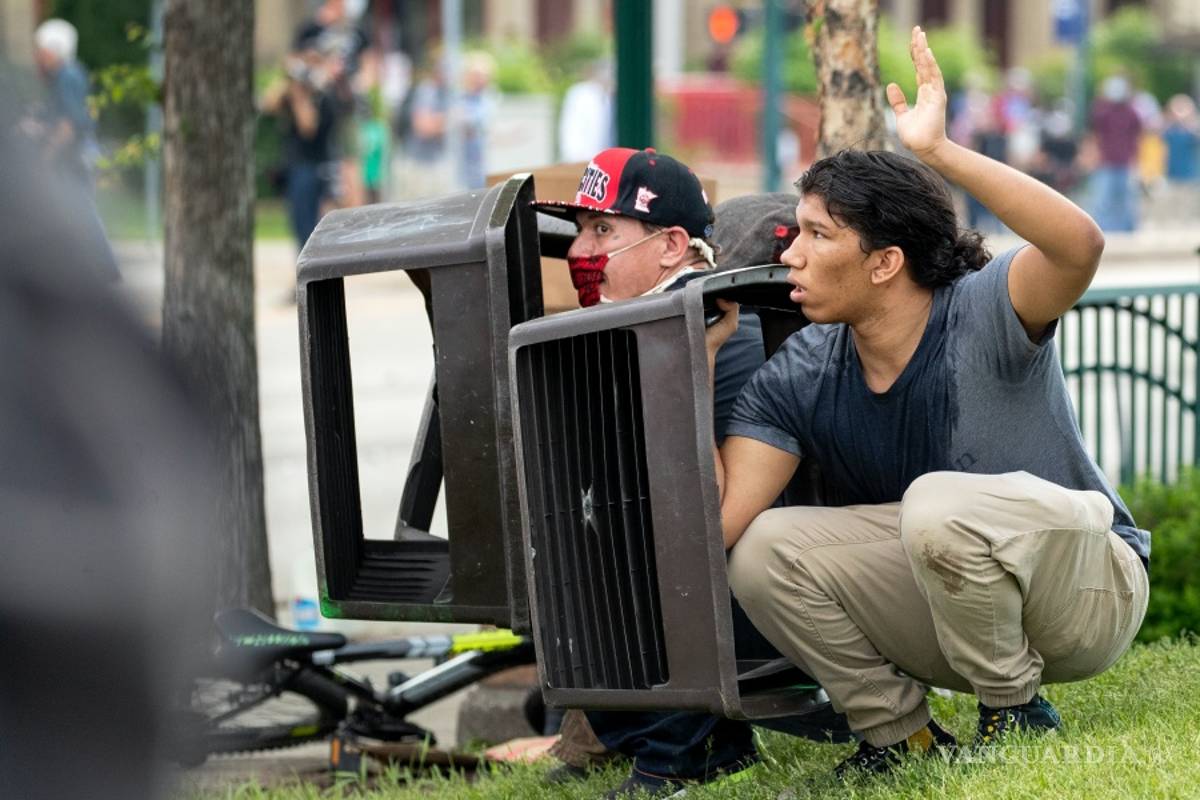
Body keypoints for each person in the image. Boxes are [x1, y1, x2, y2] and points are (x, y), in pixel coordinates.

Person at [707, 27, 1149, 780]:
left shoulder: (984, 311)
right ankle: (897, 736)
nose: (790, 254)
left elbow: (1079, 247)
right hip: (954, 601)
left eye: (817, 234)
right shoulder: (802, 370)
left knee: (935, 503)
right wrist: (700, 355)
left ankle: (1015, 710)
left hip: (1087, 590)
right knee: (764, 549)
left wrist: (941, 154)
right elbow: (719, 525)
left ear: (885, 263)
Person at [530, 149, 849, 798]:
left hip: (755, 594)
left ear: (673, 245)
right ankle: (686, 743)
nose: (579, 254)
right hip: (722, 585)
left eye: (602, 232)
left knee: (612, 552)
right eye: (577, 233)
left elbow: (702, 517)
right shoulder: (655, 318)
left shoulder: (702, 322)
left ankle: (684, 755)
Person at [1089, 75, 1143, 232]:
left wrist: (1136, 158)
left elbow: (1138, 137)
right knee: (1102, 199)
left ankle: (1128, 230)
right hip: (1106, 161)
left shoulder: (1132, 112)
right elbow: (1094, 136)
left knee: (1127, 199)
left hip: (1125, 162)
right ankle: (1100, 230)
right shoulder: (1102, 112)